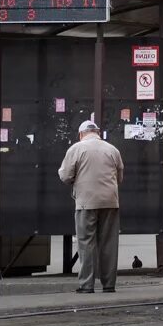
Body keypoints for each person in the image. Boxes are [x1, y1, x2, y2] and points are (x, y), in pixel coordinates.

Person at [58, 120, 124, 294]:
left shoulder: (76, 149)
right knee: (109, 243)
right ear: (98, 132)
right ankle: (109, 284)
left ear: (81, 134)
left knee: (86, 242)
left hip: (86, 202)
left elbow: (65, 176)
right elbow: (119, 177)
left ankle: (87, 285)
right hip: (110, 201)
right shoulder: (112, 150)